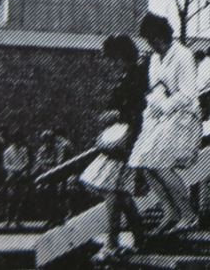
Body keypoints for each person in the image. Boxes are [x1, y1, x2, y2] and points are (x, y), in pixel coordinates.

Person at [128, 13, 201, 235]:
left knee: (160, 163)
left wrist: (164, 106)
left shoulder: (184, 55)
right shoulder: (155, 60)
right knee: (143, 161)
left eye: (154, 39)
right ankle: (171, 212)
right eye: (150, 41)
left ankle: (189, 215)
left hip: (185, 118)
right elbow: (155, 91)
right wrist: (153, 110)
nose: (153, 45)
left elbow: (187, 94)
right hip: (160, 119)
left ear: (162, 35)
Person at [80, 34, 149, 262]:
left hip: (130, 137)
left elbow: (139, 108)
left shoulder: (138, 74)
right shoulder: (128, 75)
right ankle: (138, 237)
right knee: (118, 192)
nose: (112, 63)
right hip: (122, 135)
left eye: (113, 58)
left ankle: (112, 242)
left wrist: (118, 115)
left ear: (121, 55)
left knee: (111, 189)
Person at [2, 132, 30, 228]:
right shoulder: (8, 151)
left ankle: (18, 220)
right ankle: (8, 220)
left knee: (20, 199)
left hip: (21, 176)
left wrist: (22, 169)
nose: (18, 142)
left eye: (20, 140)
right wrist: (14, 169)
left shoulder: (23, 150)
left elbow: (26, 161)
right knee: (11, 199)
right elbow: (6, 165)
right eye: (16, 140)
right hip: (12, 177)